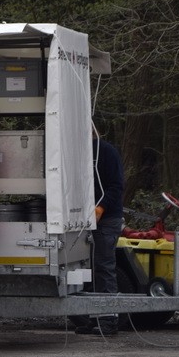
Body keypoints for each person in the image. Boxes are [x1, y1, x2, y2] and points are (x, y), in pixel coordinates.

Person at [75, 130, 126, 336]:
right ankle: (92, 317)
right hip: (84, 220)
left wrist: (100, 208)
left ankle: (108, 319)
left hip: (107, 219)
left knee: (104, 266)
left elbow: (116, 186)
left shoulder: (106, 152)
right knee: (89, 269)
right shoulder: (77, 154)